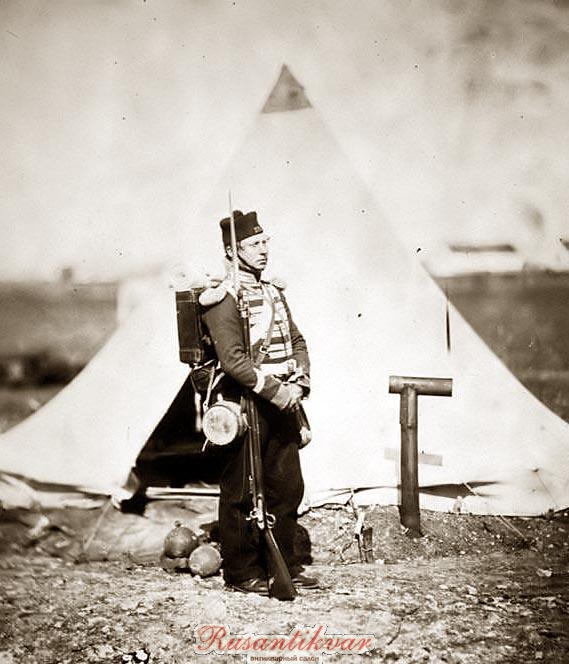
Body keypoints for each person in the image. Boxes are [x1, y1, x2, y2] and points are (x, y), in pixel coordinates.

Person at [200, 209, 318, 595]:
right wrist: (277, 392)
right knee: (241, 489)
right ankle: (241, 571)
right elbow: (234, 361)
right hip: (246, 403)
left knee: (287, 486)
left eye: (265, 242)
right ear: (233, 252)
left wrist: (300, 381)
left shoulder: (272, 292)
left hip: (284, 400)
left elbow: (297, 341)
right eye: (254, 244)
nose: (264, 250)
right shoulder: (223, 298)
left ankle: (282, 565)